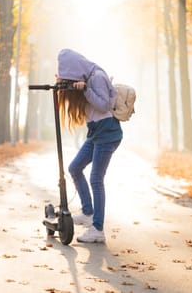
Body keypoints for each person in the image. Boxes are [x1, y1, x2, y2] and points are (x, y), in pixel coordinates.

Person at [56, 48, 123, 243]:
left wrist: (85, 89)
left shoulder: (97, 77)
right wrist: (64, 84)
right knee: (74, 168)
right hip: (95, 132)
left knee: (96, 178)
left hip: (108, 132)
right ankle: (88, 212)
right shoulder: (85, 78)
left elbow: (102, 105)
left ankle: (98, 229)